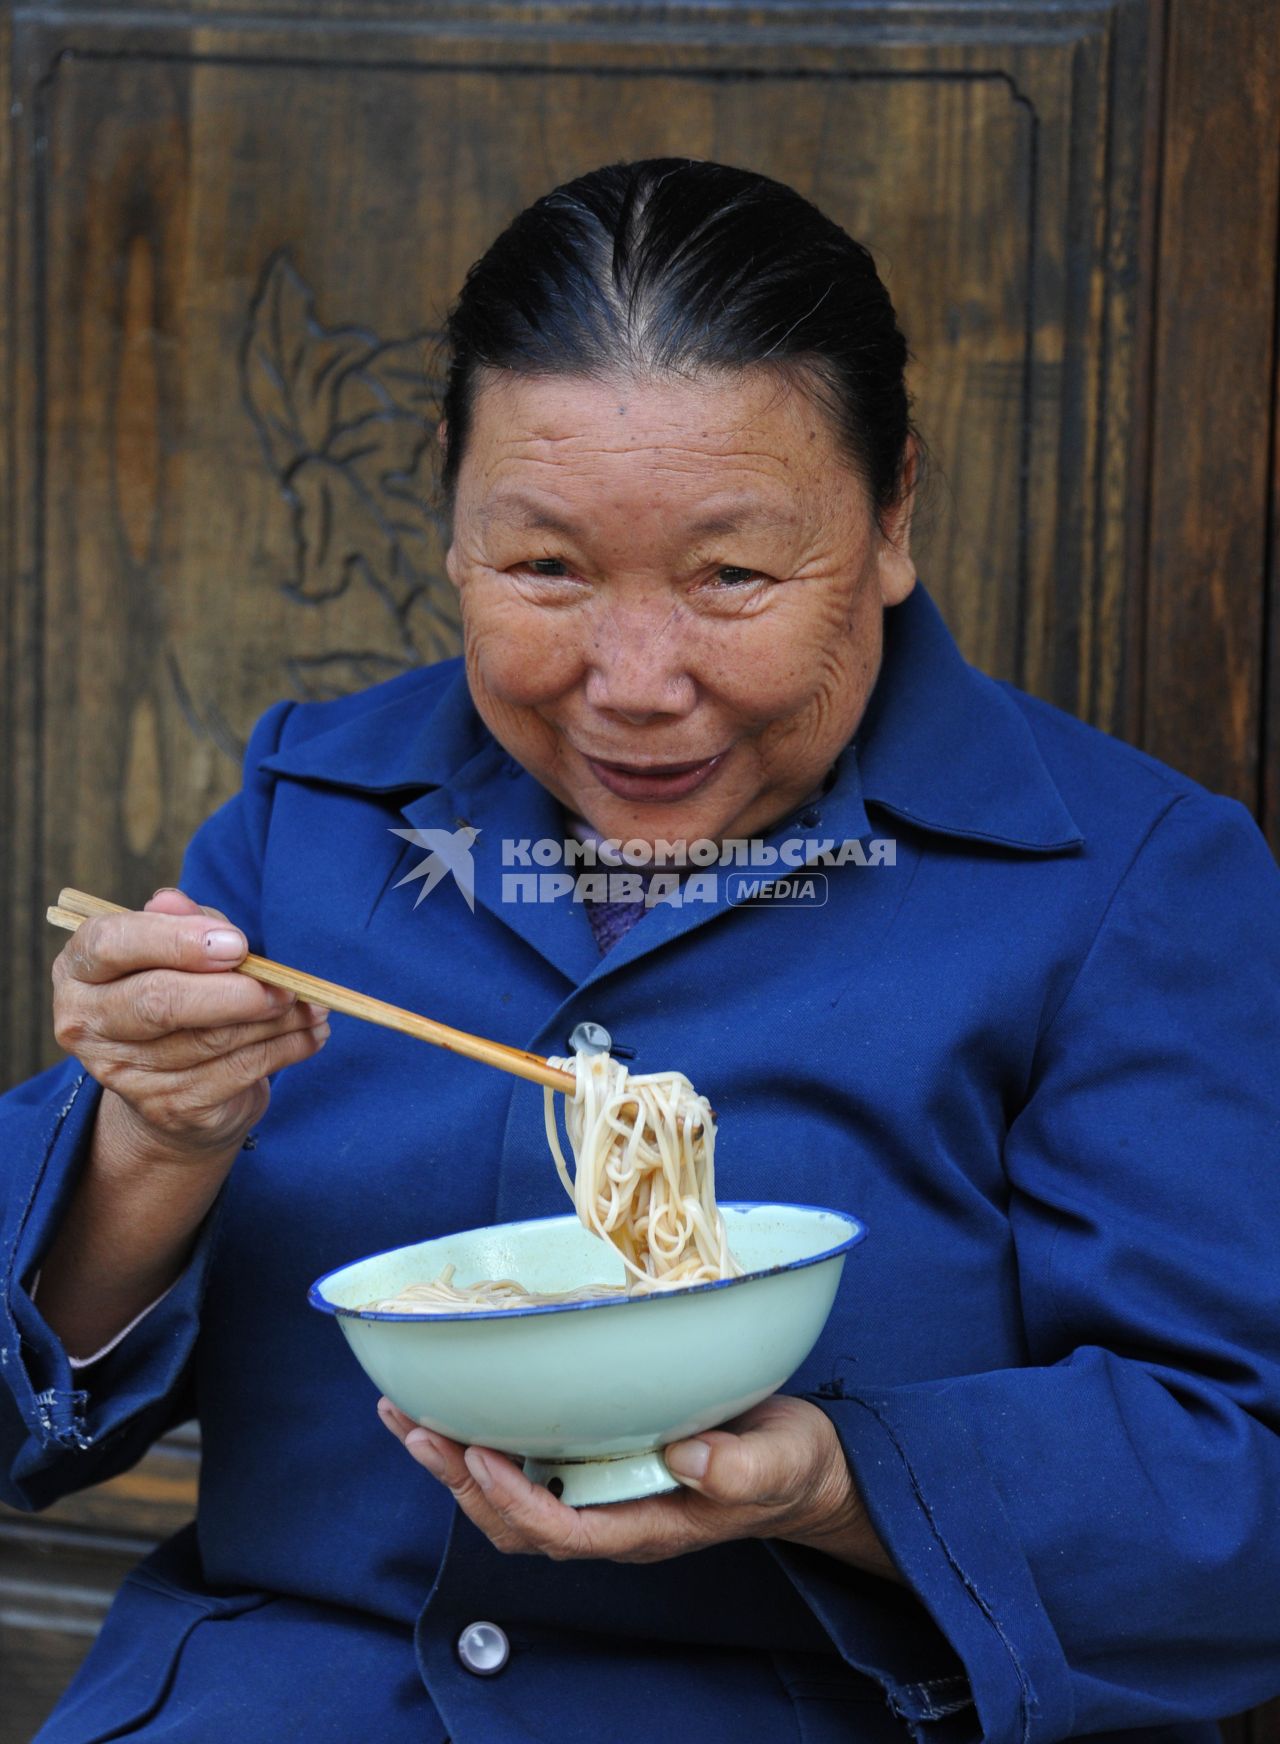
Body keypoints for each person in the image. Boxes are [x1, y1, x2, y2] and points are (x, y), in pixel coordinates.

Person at [2, 157, 1278, 1744]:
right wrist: (155, 1136)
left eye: (731, 575)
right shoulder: (317, 811)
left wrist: (831, 1479)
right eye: (545, 568)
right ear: (451, 528)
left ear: (890, 520)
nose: (635, 680)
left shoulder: (1125, 880)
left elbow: (1243, 1485)